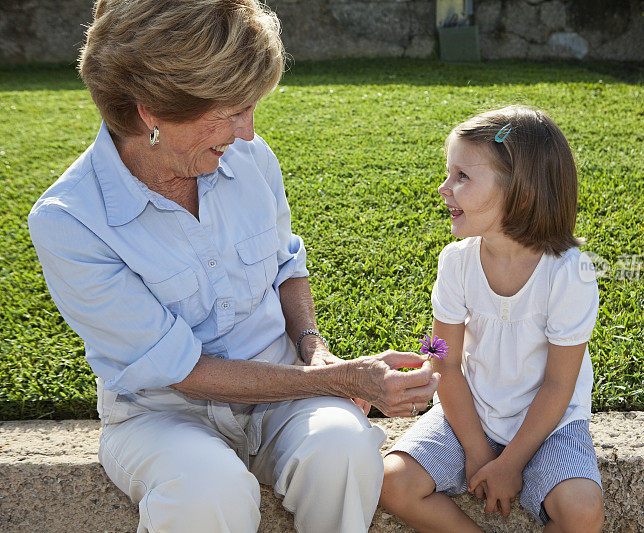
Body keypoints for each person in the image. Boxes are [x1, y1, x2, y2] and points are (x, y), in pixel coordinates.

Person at [27, 1, 439, 532]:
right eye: (230, 112)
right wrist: (341, 380)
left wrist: (314, 352)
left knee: (345, 445)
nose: (247, 131)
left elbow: (286, 263)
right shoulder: (70, 221)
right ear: (152, 110)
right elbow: (184, 372)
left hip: (282, 391)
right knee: (205, 491)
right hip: (161, 414)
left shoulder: (249, 158)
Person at [379, 105, 604, 532]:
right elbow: (442, 358)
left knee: (582, 512)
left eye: (462, 176)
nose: (444, 188)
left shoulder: (569, 272)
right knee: (393, 483)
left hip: (549, 426)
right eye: (449, 174)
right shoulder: (455, 263)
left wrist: (511, 463)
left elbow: (560, 385)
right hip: (470, 414)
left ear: (520, 192)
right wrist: (478, 452)